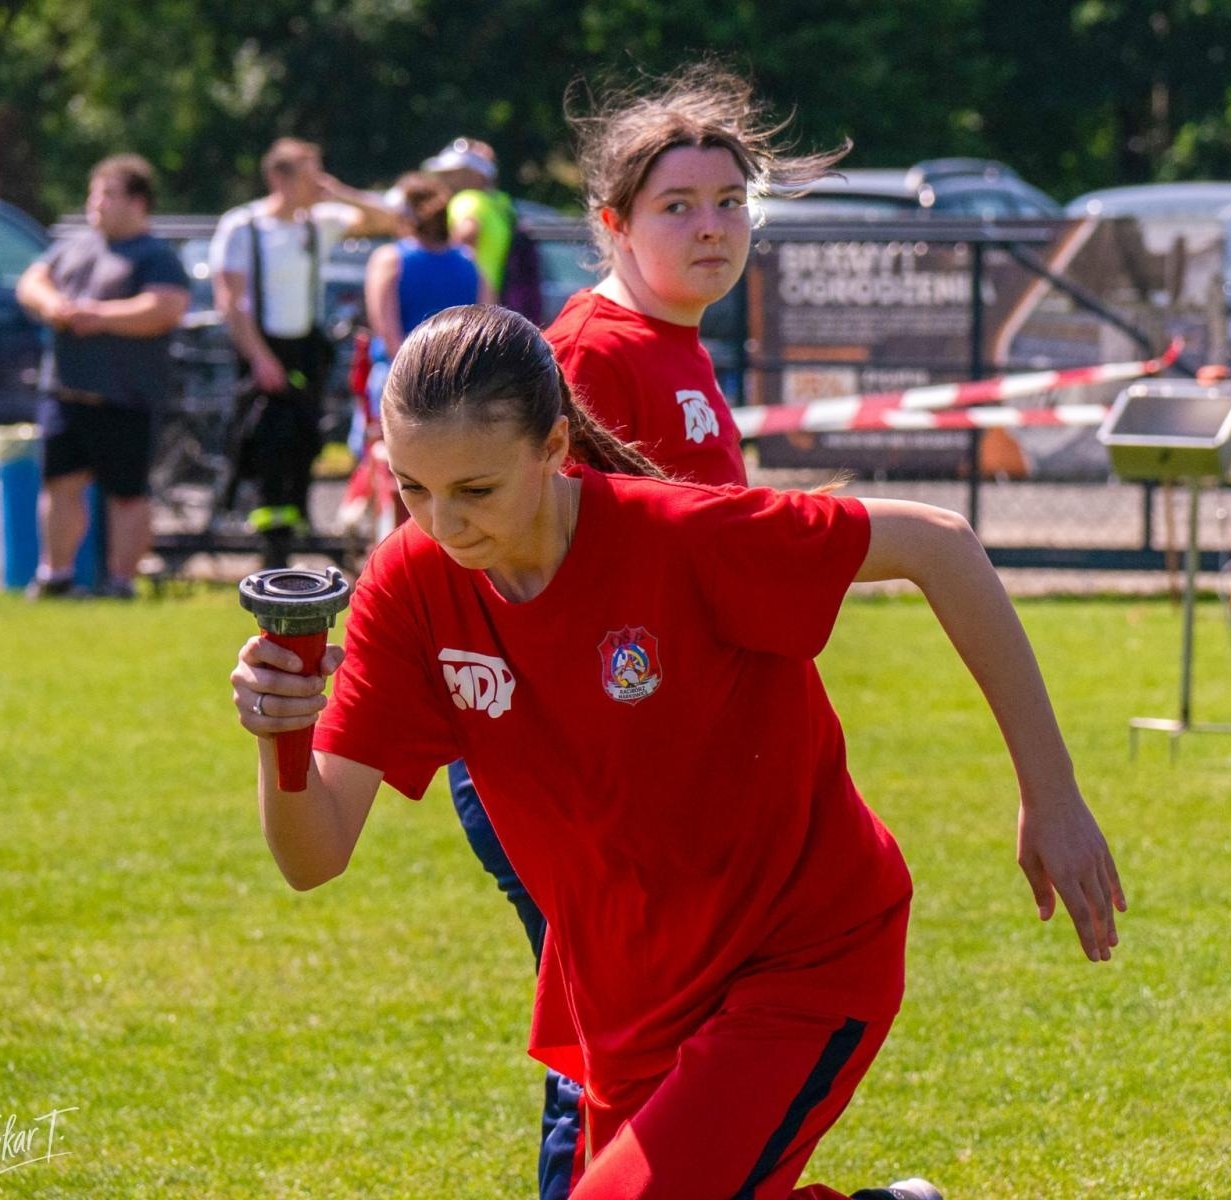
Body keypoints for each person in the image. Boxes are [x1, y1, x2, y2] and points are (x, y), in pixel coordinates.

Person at [230, 304, 1125, 1200]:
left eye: (475, 490)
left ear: (554, 446)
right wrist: (283, 728)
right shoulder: (408, 586)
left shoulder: (682, 537)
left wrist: (1051, 794)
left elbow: (941, 544)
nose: (441, 523)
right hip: (629, 1003)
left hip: (801, 957)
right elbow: (312, 855)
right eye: (412, 489)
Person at [443, 65, 852, 1196]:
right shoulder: (588, 357)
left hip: (650, 771)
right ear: (613, 224)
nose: (714, 226)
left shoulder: (672, 341)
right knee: (614, 1045)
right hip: (562, 768)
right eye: (680, 205)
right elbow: (494, 571)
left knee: (691, 1064)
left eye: (731, 201)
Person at [209, 138, 399, 567]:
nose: (315, 182)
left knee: (304, 443)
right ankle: (270, 552)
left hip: (305, 351)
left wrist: (338, 191)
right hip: (261, 350)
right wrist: (259, 358)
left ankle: (293, 539)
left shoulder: (320, 221)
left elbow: (393, 219)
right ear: (278, 177)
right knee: (265, 445)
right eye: (306, 173)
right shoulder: (243, 226)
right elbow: (230, 301)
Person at [14, 154, 190, 599]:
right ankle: (56, 577)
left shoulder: (156, 256)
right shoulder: (73, 245)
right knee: (60, 485)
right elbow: (30, 282)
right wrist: (53, 305)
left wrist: (102, 317)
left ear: (138, 202)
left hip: (126, 396)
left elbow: (166, 308)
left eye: (107, 195)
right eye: (94, 195)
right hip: (66, 390)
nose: (96, 204)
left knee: (127, 495)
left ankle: (120, 582)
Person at [344, 172, 487, 542]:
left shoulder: (390, 259)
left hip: (400, 383)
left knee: (398, 479)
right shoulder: (469, 261)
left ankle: (393, 555)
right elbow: (488, 323)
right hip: (462, 387)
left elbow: (388, 332)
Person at [424, 138, 543, 322]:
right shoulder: (502, 204)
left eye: (452, 173)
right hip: (497, 308)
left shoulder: (467, 200)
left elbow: (465, 238)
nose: (443, 179)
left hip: (469, 306)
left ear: (474, 175)